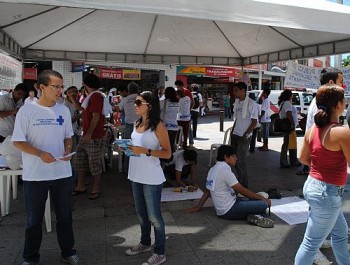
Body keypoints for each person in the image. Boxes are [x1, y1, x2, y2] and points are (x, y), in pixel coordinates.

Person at [11, 70, 80, 265]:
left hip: (62, 172)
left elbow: (68, 135)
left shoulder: (63, 110)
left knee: (65, 217)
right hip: (36, 175)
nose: (60, 91)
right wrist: (40, 154)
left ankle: (68, 252)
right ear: (42, 87)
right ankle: (30, 257)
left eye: (61, 86)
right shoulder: (27, 110)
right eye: (55, 86)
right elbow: (18, 141)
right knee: (34, 220)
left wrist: (67, 148)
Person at [294, 84, 350, 265]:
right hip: (328, 193)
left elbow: (302, 158)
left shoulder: (312, 131)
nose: (346, 102)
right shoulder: (342, 132)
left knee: (341, 234)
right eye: (344, 99)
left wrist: (322, 166)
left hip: (314, 186)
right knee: (310, 244)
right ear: (338, 105)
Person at [124, 91, 171, 265]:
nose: (135, 105)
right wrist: (128, 149)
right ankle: (145, 242)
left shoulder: (158, 125)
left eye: (138, 102)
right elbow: (137, 147)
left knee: (154, 216)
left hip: (152, 176)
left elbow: (167, 153)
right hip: (135, 173)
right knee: (141, 214)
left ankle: (160, 252)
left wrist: (146, 151)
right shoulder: (137, 122)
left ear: (149, 106)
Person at [187, 145, 273, 228]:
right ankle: (255, 215)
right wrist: (263, 200)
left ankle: (253, 214)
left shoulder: (213, 169)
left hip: (224, 208)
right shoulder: (225, 171)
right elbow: (242, 190)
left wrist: (198, 207)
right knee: (263, 204)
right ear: (226, 157)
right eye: (234, 156)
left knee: (255, 198)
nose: (236, 158)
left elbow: (207, 191)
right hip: (229, 210)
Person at [298, 67, 344, 176]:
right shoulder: (321, 105)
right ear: (331, 82)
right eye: (341, 82)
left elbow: (303, 158)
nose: (343, 85)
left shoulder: (320, 101)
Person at [73, 74, 106, 200]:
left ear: (85, 84)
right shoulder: (89, 96)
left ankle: (95, 187)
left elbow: (96, 116)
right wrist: (72, 97)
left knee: (94, 163)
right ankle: (80, 185)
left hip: (94, 135)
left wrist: (89, 134)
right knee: (79, 160)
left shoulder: (96, 96)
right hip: (87, 134)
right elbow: (81, 109)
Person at [231, 82, 259, 188]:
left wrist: (246, 134)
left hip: (244, 136)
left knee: (240, 161)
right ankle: (238, 182)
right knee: (233, 160)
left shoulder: (252, 103)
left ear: (243, 91)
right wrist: (233, 131)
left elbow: (254, 122)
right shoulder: (237, 102)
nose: (234, 92)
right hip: (235, 134)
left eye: (236, 90)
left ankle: (243, 185)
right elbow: (237, 119)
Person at [278, 89, 297, 168]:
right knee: (288, 144)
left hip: (286, 126)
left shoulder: (282, 103)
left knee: (287, 143)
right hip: (288, 126)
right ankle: (285, 162)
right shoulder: (287, 103)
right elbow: (289, 114)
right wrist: (292, 123)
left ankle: (290, 161)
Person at [160, 86, 179, 153]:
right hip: (175, 127)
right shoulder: (177, 103)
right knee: (172, 145)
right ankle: (171, 160)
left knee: (165, 146)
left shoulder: (163, 102)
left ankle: (166, 161)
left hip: (165, 127)